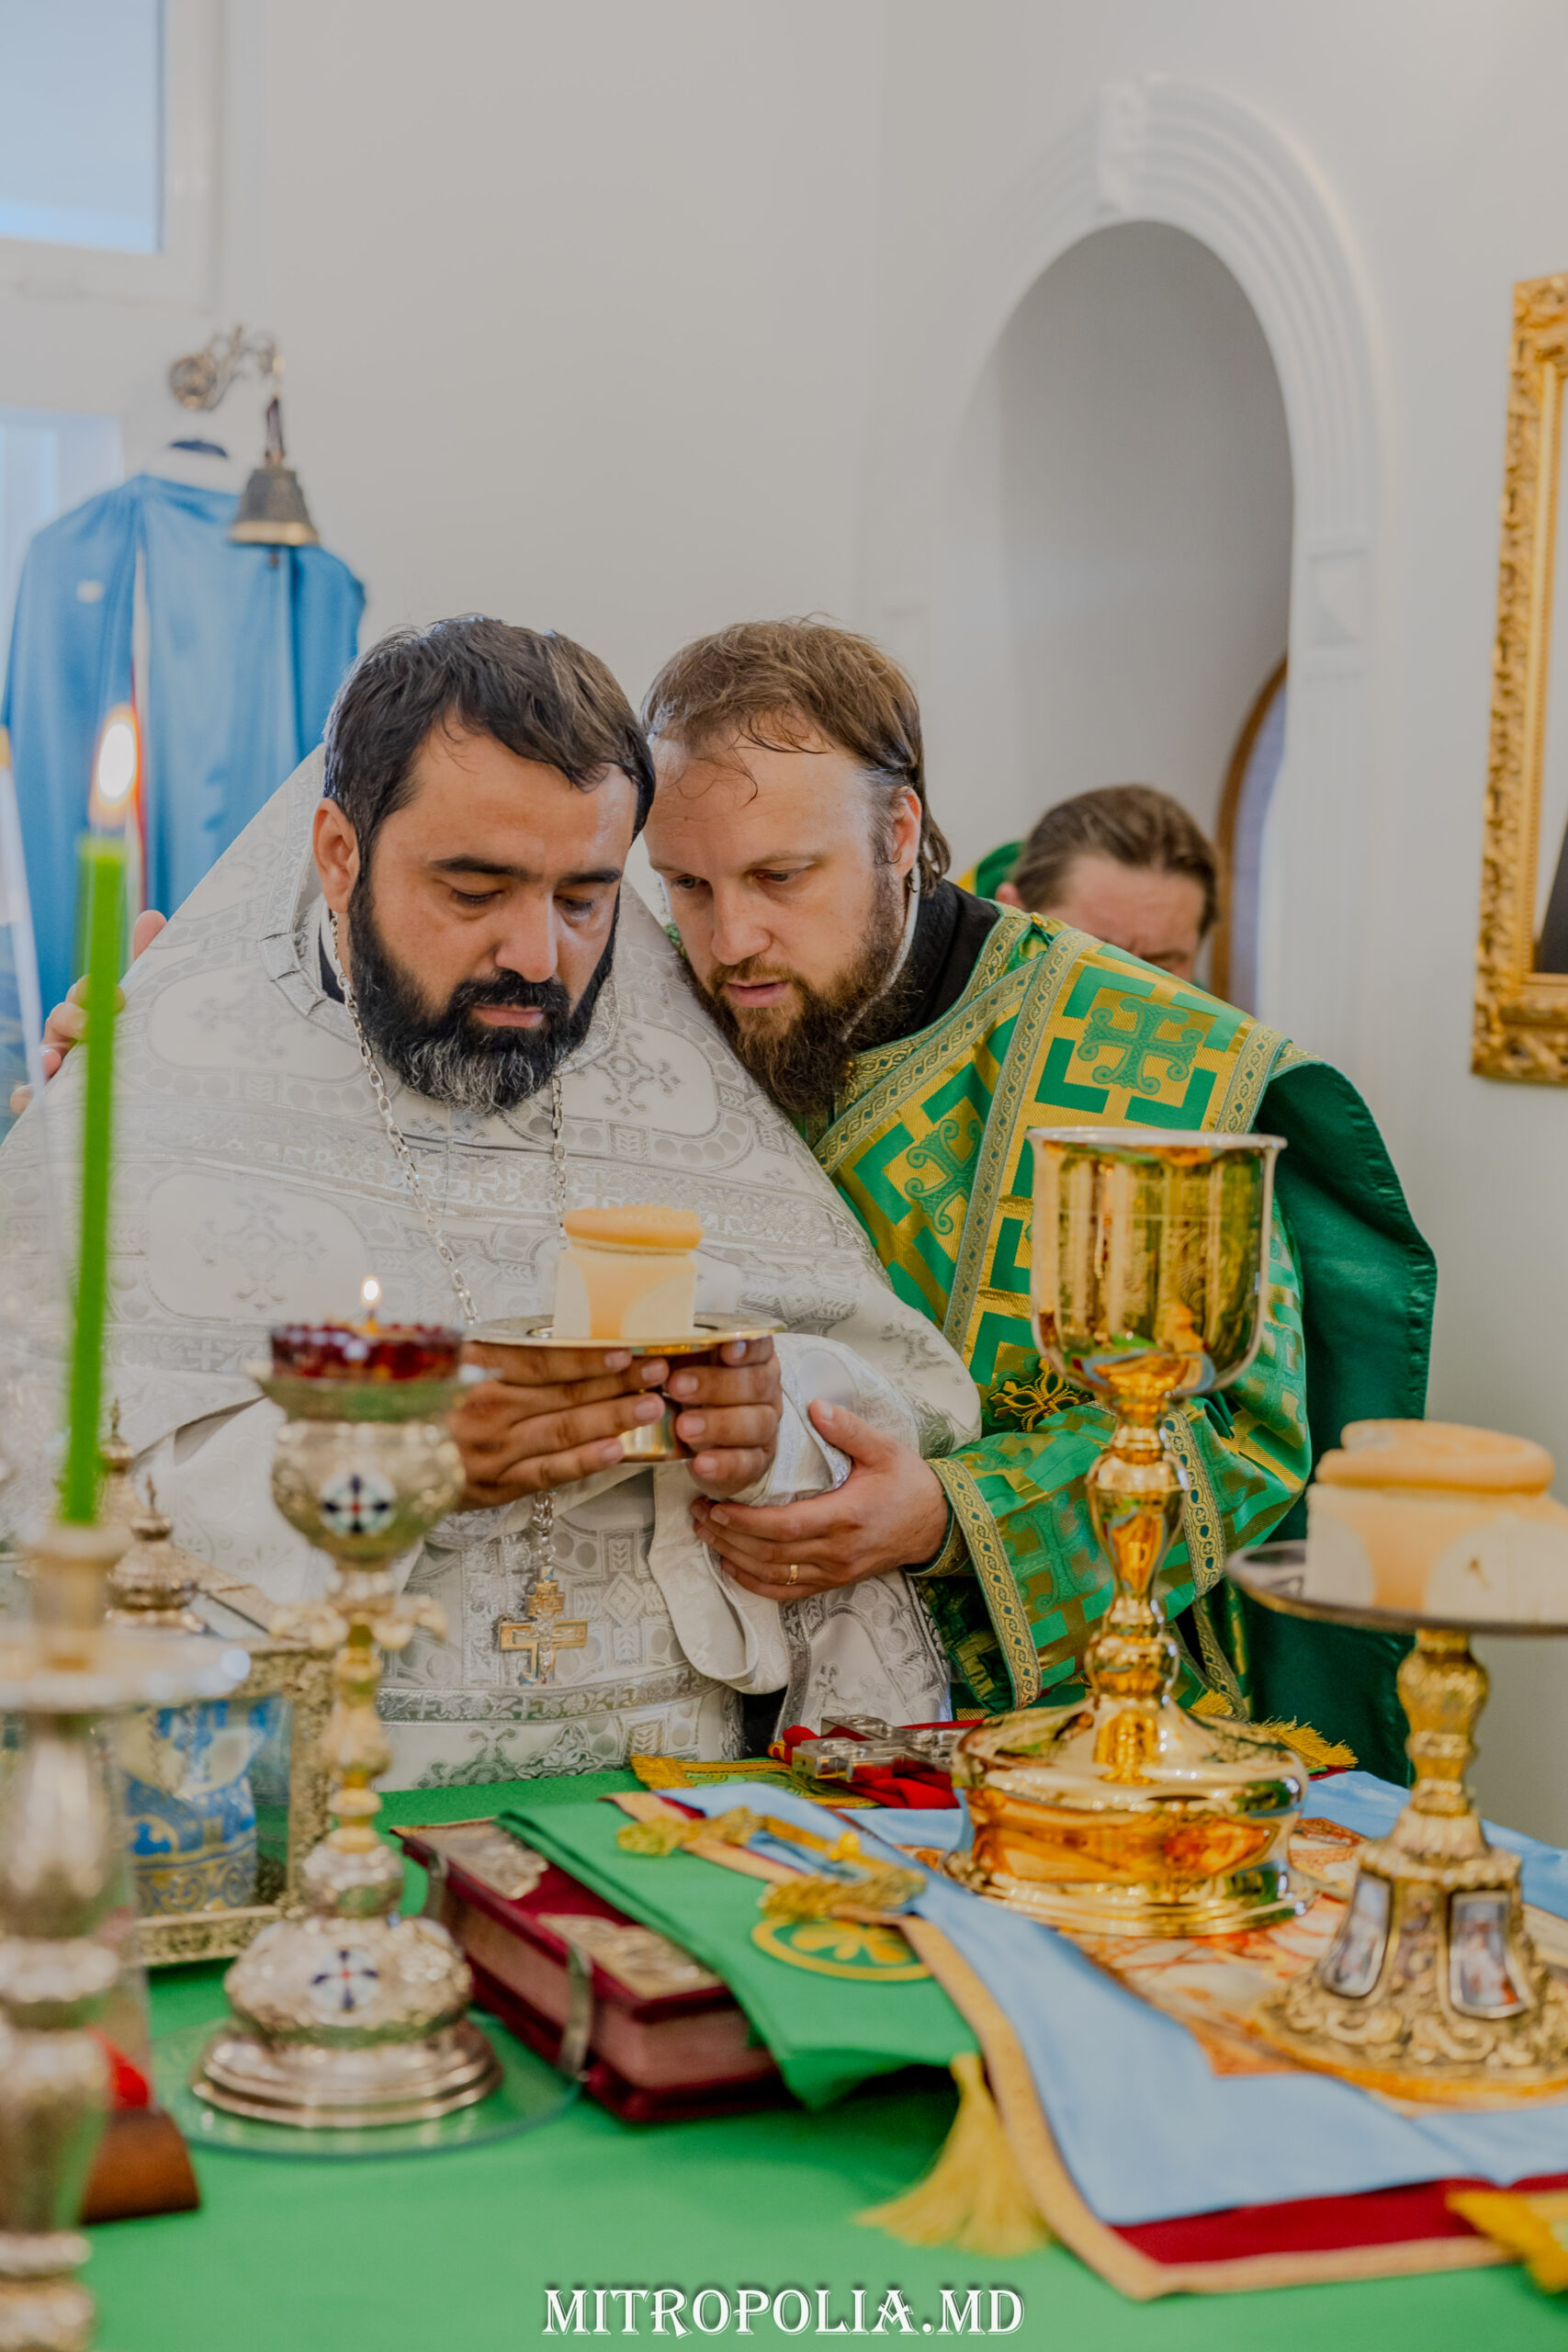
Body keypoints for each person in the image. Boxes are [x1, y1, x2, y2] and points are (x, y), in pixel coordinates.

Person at [0, 618, 980, 1785]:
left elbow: (901, 1398)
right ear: (339, 852)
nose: (538, 954)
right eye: (475, 888)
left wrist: (765, 1417)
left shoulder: (682, 1064)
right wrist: (380, 1461)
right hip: (318, 1816)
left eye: (586, 898)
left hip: (674, 1819)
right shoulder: (160, 1082)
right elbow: (40, 1484)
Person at [638, 619, 1435, 1775]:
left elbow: (1241, 1433)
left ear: (897, 833)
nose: (731, 939)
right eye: (686, 885)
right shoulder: (659, 1018)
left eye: (780, 876)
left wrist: (946, 1518)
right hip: (714, 1701)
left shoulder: (1153, 1061)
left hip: (1059, 1733)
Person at [984, 784, 1218, 982]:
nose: (1129, 995)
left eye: (1161, 965)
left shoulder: (1213, 1019)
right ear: (1012, 917)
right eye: (1096, 958)